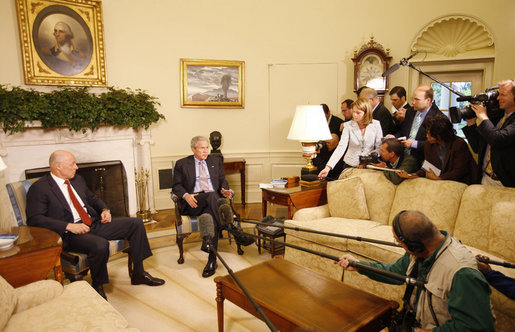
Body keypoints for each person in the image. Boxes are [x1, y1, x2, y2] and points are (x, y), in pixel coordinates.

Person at [26, 150, 165, 300]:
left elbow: (93, 199)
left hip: (92, 223)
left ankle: (139, 273)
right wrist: (69, 226)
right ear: (58, 166)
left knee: (136, 223)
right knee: (100, 245)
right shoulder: (40, 188)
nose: (77, 167)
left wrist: (104, 209)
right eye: (72, 164)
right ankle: (97, 285)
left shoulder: (77, 180)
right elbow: (34, 219)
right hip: (69, 233)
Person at [336, 210, 494, 331]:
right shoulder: (420, 250)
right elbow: (395, 273)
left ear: (414, 245)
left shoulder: (462, 274)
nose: (399, 245)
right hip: (411, 321)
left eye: (399, 242)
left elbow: (477, 327)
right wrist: (359, 265)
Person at [172, 136, 232, 278]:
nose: (206, 151)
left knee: (210, 213)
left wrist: (224, 190)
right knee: (212, 197)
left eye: (207, 147)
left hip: (212, 202)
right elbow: (176, 186)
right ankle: (231, 227)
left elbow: (223, 180)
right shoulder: (182, 164)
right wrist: (186, 195)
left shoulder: (215, 161)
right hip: (194, 202)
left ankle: (212, 259)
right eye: (202, 148)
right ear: (193, 149)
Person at [462, 80, 515, 187]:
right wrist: (471, 123)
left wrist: (483, 117)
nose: (498, 98)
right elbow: (478, 147)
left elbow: (498, 139)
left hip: (505, 183)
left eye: (502, 95)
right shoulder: (497, 117)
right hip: (485, 178)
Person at [398, 115, 479, 184]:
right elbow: (427, 167)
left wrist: (439, 179)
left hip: (461, 184)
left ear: (440, 134)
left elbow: (459, 171)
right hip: (441, 185)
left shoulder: (458, 144)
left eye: (430, 134)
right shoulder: (428, 145)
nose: (427, 136)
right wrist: (411, 175)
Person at [318, 98, 383, 179]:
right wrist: (328, 167)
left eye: (358, 113)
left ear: (366, 113)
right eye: (353, 112)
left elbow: (379, 147)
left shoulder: (376, 125)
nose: (354, 115)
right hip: (350, 165)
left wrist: (366, 160)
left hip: (369, 166)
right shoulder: (348, 126)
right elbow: (341, 147)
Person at [389, 84, 443, 167]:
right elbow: (404, 131)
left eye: (417, 100)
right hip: (404, 158)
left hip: (424, 160)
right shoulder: (410, 111)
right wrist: (394, 137)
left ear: (428, 100)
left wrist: (415, 144)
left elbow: (438, 144)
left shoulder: (437, 117)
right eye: (413, 99)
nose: (413, 102)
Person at [312, 104, 343, 173]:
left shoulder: (339, 123)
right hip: (320, 157)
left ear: (328, 112)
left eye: (323, 116)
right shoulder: (316, 123)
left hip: (334, 159)